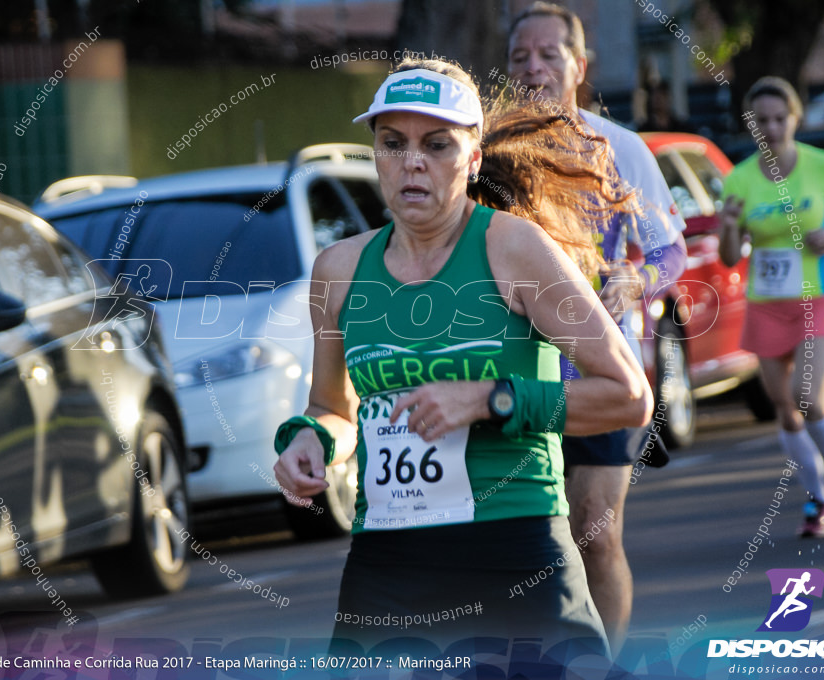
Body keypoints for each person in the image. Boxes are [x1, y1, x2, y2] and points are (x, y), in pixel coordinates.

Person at [273, 58, 653, 663]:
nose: (412, 162)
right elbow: (334, 408)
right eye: (392, 144)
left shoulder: (515, 249)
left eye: (437, 144)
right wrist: (310, 441)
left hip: (514, 546)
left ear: (472, 159)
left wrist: (488, 399)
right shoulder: (338, 270)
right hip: (388, 557)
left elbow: (629, 396)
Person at [505, 1, 688, 649]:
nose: (534, 67)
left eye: (549, 54)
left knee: (594, 531)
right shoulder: (489, 156)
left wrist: (635, 278)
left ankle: (603, 661)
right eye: (520, 56)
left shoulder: (621, 150)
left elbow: (670, 251)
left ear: (580, 66)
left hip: (599, 374)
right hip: (515, 375)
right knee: (527, 544)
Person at [719, 76, 824, 537]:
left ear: (796, 118)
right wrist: (728, 226)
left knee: (809, 395)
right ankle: (817, 497)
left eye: (780, 119)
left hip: (818, 298)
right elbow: (729, 255)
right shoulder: (739, 177)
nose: (771, 128)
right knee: (784, 408)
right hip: (767, 304)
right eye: (761, 121)